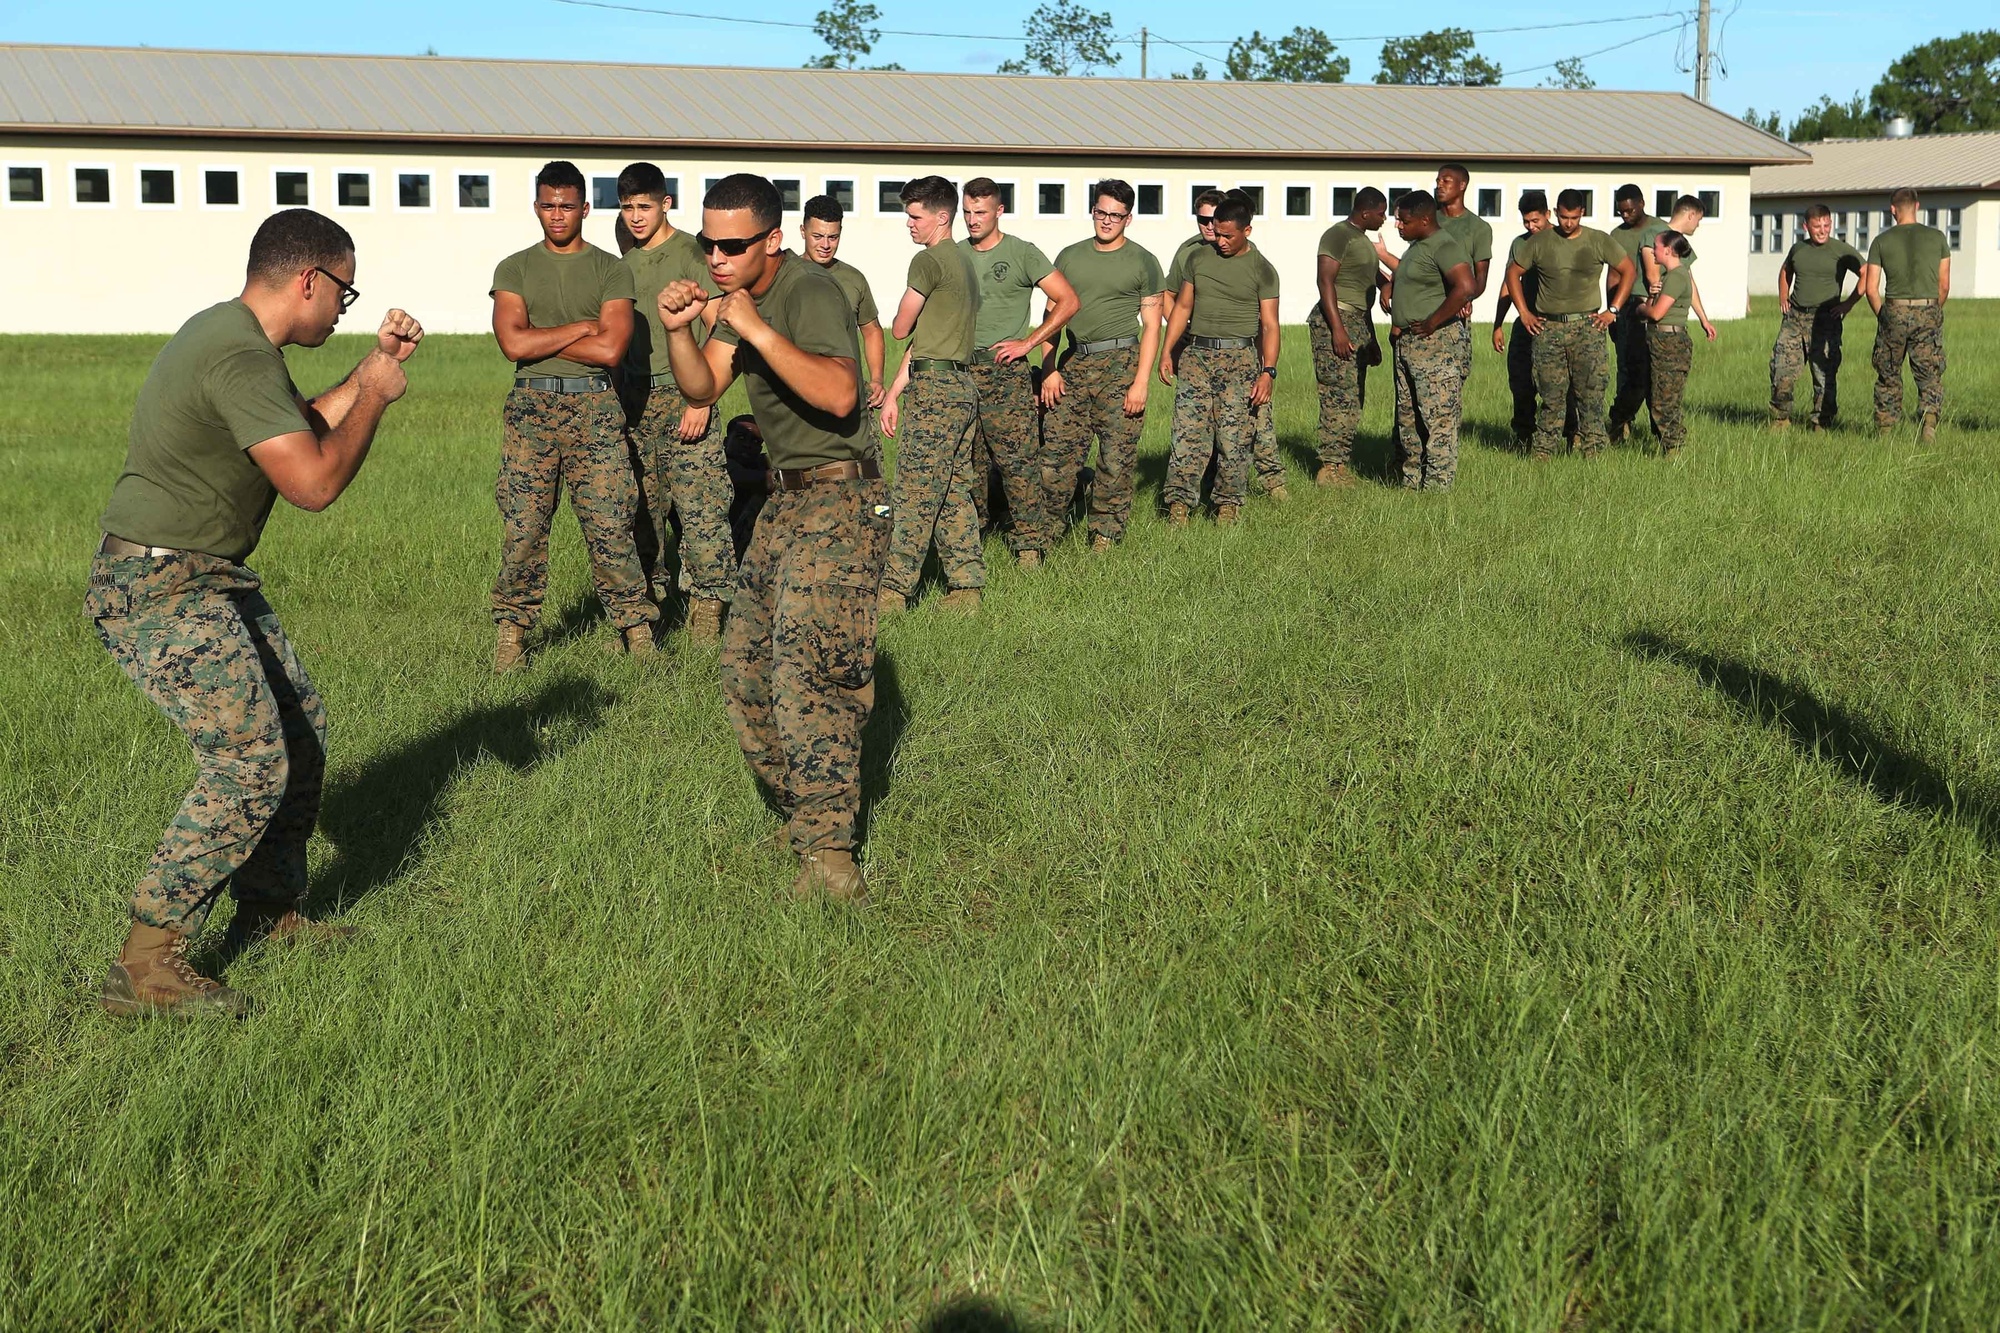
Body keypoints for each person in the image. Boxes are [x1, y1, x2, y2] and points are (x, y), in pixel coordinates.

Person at [88, 208, 423, 1017]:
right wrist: (376, 396)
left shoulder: (236, 339)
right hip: (160, 584)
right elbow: (310, 482)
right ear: (308, 278)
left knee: (298, 736)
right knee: (248, 760)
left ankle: (270, 912)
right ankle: (146, 962)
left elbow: (292, 428)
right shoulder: (238, 354)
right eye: (344, 291)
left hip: (205, 574)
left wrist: (366, 367)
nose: (344, 306)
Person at [654, 173, 882, 901]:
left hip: (842, 497)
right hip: (784, 503)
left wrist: (753, 327)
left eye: (732, 244)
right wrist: (678, 329)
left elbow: (841, 393)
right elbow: (700, 389)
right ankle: (808, 809)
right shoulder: (735, 303)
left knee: (808, 674)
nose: (715, 257)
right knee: (746, 669)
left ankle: (830, 858)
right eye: (707, 243)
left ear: (772, 241)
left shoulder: (808, 292)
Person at [489, 160, 649, 671]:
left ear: (584, 207)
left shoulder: (610, 268)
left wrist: (544, 340)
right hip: (531, 408)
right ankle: (512, 635)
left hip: (594, 407)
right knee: (524, 526)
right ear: (536, 207)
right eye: (547, 205)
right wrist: (582, 326)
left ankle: (635, 630)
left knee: (610, 522)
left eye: (566, 206)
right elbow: (510, 341)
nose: (557, 215)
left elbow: (612, 350)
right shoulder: (514, 268)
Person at [617, 162, 731, 641]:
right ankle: (651, 602)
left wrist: (702, 397)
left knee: (702, 507)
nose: (636, 217)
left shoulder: (689, 252)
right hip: (634, 401)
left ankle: (708, 602)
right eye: (627, 208)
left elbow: (718, 322)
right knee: (640, 509)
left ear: (665, 203)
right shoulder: (622, 263)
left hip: (684, 396)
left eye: (645, 207)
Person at [1036, 179, 1167, 552]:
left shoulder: (1143, 261)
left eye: (1116, 215)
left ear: (1129, 218)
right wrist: (1049, 369)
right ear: (1092, 211)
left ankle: (1105, 535)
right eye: (1101, 212)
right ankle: (1045, 535)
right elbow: (1051, 319)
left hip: (1121, 365)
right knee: (1057, 457)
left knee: (1116, 457)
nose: (1107, 221)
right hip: (1073, 364)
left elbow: (1152, 326)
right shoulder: (1069, 257)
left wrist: (1141, 382)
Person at [878, 175, 984, 612]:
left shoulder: (927, 263)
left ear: (942, 217)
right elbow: (928, 341)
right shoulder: (964, 264)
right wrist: (895, 392)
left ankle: (893, 590)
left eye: (915, 216)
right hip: (961, 384)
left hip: (936, 392)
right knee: (955, 490)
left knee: (914, 492)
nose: (909, 224)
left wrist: (899, 390)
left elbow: (902, 328)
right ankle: (966, 587)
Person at [960, 178, 1079, 562]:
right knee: (968, 465)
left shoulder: (1022, 253)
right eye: (967, 212)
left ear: (999, 211)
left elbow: (1067, 300)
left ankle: (1030, 544)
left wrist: (1028, 343)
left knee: (1018, 463)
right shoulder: (954, 255)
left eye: (980, 212)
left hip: (1004, 374)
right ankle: (970, 543)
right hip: (962, 372)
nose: (972, 220)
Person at [1159, 190, 1278, 526]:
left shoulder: (1263, 270)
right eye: (1216, 232)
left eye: (1228, 235)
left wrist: (1267, 371)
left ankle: (1228, 505)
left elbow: (1270, 326)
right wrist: (1167, 351)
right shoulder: (1197, 259)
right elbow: (1182, 307)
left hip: (1239, 359)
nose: (1220, 240)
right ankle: (1179, 505)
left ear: (1246, 231)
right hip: (1197, 355)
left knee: (1234, 437)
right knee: (1187, 434)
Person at [1501, 187, 1636, 460]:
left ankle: (1593, 451)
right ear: (1556, 213)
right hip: (1548, 329)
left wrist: (1613, 309)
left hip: (1588, 326)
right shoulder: (1540, 242)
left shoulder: (1598, 240)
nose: (1568, 223)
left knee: (1591, 394)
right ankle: (1543, 453)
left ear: (1582, 213)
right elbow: (1512, 273)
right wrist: (1524, 313)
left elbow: (1628, 270)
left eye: (1573, 218)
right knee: (1551, 396)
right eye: (1563, 217)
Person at [1381, 190, 1475, 490]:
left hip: (1434, 345)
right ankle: (1411, 481)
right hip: (1407, 343)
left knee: (1438, 419)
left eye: (1404, 221)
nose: (1399, 226)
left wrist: (1434, 321)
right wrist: (1390, 290)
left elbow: (1466, 286)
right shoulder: (1416, 247)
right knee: (1409, 420)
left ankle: (1437, 487)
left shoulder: (1444, 246)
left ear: (1424, 219)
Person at [1308, 186, 1387, 489]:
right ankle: (1329, 468)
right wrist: (1337, 329)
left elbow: (1369, 286)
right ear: (1365, 212)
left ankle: (1341, 464)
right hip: (1336, 320)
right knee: (1338, 395)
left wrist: (1373, 339)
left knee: (1353, 398)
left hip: (1358, 320)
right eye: (1380, 213)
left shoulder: (1363, 241)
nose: (1384, 219)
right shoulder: (1338, 235)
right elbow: (1324, 281)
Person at [1863, 186, 1950, 440]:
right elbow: (1944, 285)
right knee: (1929, 372)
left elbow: (1871, 289)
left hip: (1894, 310)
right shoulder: (1938, 238)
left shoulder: (1881, 241)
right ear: (1917, 206)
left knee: (1889, 372)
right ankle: (1929, 426)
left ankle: (1886, 431)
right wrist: (1931, 310)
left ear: (1892, 210)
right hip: (1928, 309)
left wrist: (1884, 315)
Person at [1770, 203, 1863, 431]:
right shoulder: (1798, 249)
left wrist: (1847, 305)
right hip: (1795, 318)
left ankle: (1821, 422)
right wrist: (1784, 294)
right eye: (1817, 226)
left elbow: (1867, 273)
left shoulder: (1841, 250)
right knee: (1781, 369)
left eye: (1826, 225)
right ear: (1805, 227)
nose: (1822, 230)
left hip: (1825, 319)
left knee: (1824, 375)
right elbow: (1785, 271)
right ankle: (1780, 419)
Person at [1491, 191, 1571, 448]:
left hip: (1558, 325)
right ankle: (1523, 437)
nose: (1531, 226)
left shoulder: (1566, 240)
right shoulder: (1520, 244)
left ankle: (1569, 436)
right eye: (1526, 222)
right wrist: (1497, 324)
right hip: (1526, 323)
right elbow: (1508, 284)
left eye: (1535, 220)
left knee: (1561, 387)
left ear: (1549, 215)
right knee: (1521, 382)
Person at [800, 193, 888, 415]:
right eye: (818, 236)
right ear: (803, 232)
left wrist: (877, 379)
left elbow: (872, 330)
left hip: (849, 395)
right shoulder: (782, 274)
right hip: (798, 393)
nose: (825, 245)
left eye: (833, 237)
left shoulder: (853, 279)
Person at [1605, 183, 1668, 441]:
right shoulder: (1617, 235)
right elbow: (1612, 276)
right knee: (1627, 369)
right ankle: (1621, 426)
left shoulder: (1661, 229)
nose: (1626, 216)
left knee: (1656, 369)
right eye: (1621, 212)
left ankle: (1660, 428)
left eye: (1630, 210)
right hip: (1627, 307)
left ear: (1642, 203)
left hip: (1655, 306)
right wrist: (1612, 311)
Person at [1433, 164, 1492, 388]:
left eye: (1446, 181)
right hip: (1426, 305)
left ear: (1462, 185)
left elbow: (1481, 276)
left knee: (1453, 377)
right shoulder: (1429, 221)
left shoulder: (1478, 228)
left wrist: (1466, 299)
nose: (1439, 185)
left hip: (1457, 311)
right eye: (1438, 180)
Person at [1640, 230, 1697, 459]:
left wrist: (1641, 308)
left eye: (1656, 246)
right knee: (1656, 396)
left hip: (1669, 344)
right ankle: (1667, 447)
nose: (1653, 250)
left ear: (1668, 250)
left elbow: (1655, 314)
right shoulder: (1667, 276)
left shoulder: (1676, 276)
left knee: (1666, 400)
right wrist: (1652, 295)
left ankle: (1674, 451)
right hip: (1659, 341)